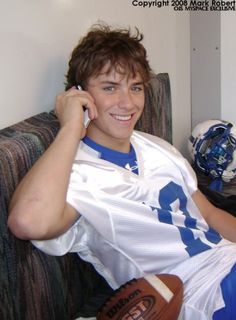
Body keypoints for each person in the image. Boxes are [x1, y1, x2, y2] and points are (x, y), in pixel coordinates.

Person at [7, 23, 236, 319]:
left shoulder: (157, 147)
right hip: (199, 295)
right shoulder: (74, 175)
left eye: (136, 87)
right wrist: (70, 129)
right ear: (80, 95)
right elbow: (27, 222)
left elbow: (211, 215)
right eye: (110, 87)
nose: (128, 103)